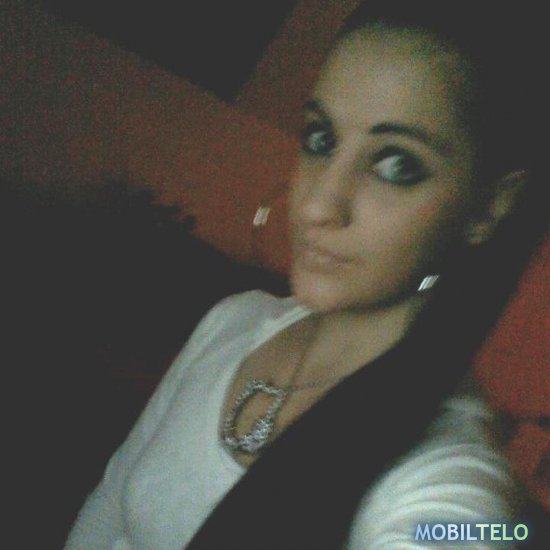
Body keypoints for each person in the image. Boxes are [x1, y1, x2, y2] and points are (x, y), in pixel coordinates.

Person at [65, 1, 547, 548]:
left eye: (397, 164)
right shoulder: (233, 321)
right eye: (321, 138)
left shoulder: (443, 484)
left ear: (488, 208)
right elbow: (109, 504)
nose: (317, 205)